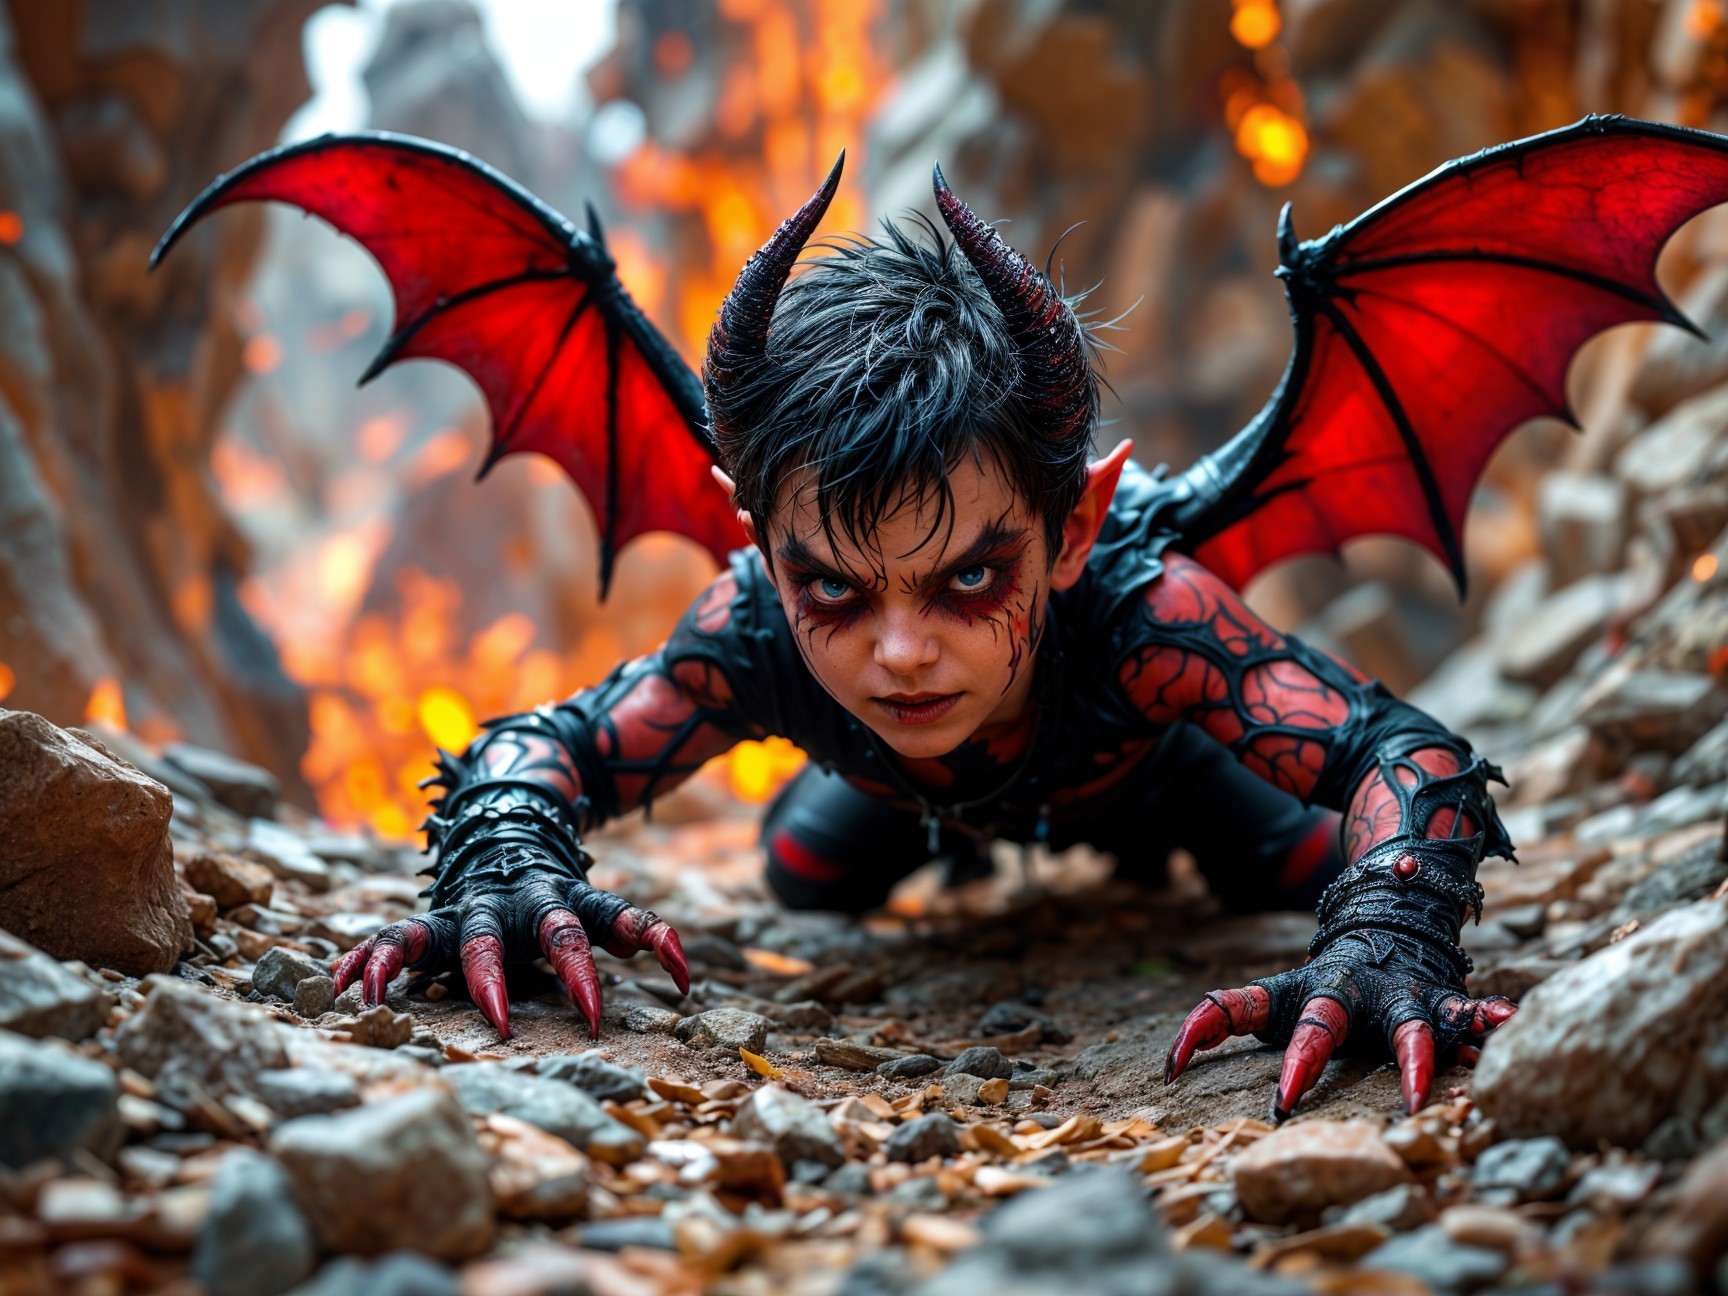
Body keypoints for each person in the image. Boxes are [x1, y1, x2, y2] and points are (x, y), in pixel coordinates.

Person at [314, 161, 1515, 1120]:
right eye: (830, 586)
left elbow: (1402, 758)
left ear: (1076, 525)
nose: (900, 653)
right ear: (761, 539)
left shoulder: (1154, 617)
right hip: (904, 791)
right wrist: (507, 869)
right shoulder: (751, 630)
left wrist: (1388, 934)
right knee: (805, 877)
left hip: (1159, 778)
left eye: (974, 576)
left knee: (1306, 876)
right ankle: (945, 809)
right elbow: (547, 747)